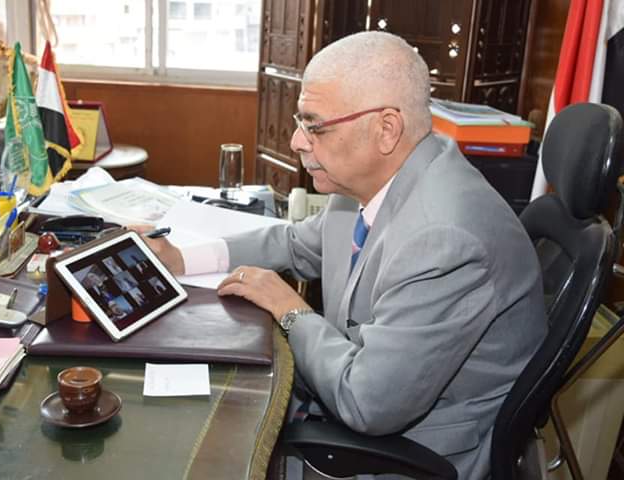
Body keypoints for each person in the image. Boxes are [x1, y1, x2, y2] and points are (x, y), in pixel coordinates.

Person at [133, 31, 547, 479]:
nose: (296, 141)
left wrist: (290, 310)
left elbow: (367, 403)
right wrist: (183, 259)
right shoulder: (381, 178)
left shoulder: (445, 238)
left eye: (315, 126)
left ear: (386, 129)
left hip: (409, 455)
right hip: (348, 407)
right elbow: (296, 243)